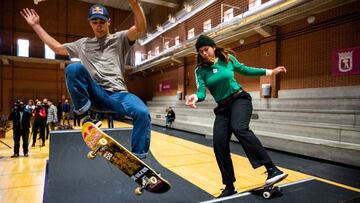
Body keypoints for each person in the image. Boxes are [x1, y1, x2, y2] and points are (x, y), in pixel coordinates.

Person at [20, 1, 150, 159]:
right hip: (94, 94)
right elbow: (56, 47)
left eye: (102, 22)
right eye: (95, 22)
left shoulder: (120, 39)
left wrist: (135, 5)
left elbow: (140, 28)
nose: (99, 26)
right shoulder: (82, 44)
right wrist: (36, 26)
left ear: (108, 22)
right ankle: (86, 117)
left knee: (142, 112)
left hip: (119, 95)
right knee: (73, 68)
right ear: (90, 23)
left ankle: (139, 159)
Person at [185, 35, 288, 198]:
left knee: (239, 128)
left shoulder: (227, 58)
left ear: (213, 47)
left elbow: (246, 70)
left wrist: (271, 72)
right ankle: (229, 186)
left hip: (239, 99)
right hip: (222, 107)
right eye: (200, 51)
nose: (204, 53)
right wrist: (195, 97)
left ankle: (272, 169)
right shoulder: (200, 70)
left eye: (206, 49)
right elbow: (201, 91)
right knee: (219, 144)